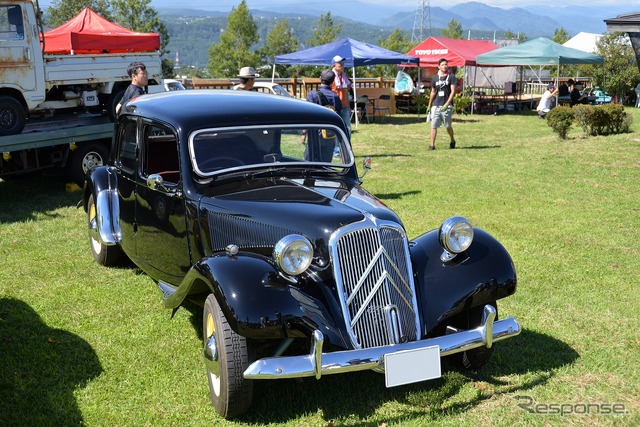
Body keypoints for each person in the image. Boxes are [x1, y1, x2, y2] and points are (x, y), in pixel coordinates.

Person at [305, 69, 342, 162]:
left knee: (309, 162)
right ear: (333, 82)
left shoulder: (312, 95)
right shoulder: (336, 97)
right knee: (326, 164)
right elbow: (338, 117)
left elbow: (307, 116)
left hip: (314, 134)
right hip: (329, 134)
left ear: (320, 79)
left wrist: (303, 133)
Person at [427, 58, 457, 150]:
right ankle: (432, 145)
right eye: (443, 64)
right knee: (434, 125)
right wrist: (429, 105)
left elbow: (453, 92)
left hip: (446, 105)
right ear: (439, 66)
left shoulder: (451, 77)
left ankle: (452, 140)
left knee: (448, 126)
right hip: (436, 104)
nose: (445, 66)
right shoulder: (435, 78)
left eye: (446, 64)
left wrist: (447, 104)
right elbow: (433, 91)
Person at [331, 55, 352, 138]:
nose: (342, 65)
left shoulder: (343, 76)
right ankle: (336, 151)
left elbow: (347, 88)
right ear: (334, 65)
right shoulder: (330, 76)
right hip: (335, 107)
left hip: (344, 106)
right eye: (339, 64)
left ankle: (347, 149)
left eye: (343, 63)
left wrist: (349, 105)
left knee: (348, 129)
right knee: (336, 130)